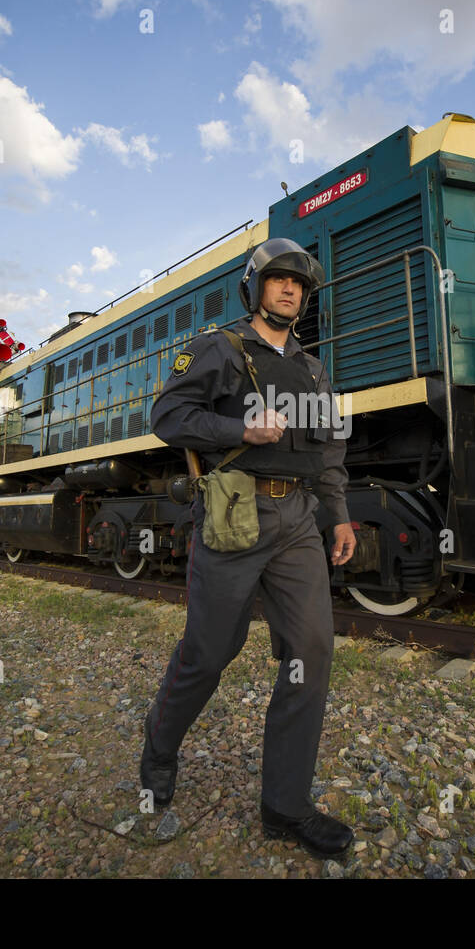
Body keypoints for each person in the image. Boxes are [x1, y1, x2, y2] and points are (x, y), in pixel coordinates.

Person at [141, 238, 358, 859]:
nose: (290, 290)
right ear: (255, 287)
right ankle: (158, 748)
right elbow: (167, 416)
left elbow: (329, 452)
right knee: (210, 653)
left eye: (300, 285)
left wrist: (337, 517)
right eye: (279, 280)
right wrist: (239, 428)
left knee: (310, 652)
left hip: (296, 521)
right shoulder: (222, 348)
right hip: (235, 516)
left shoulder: (315, 370)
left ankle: (285, 807)